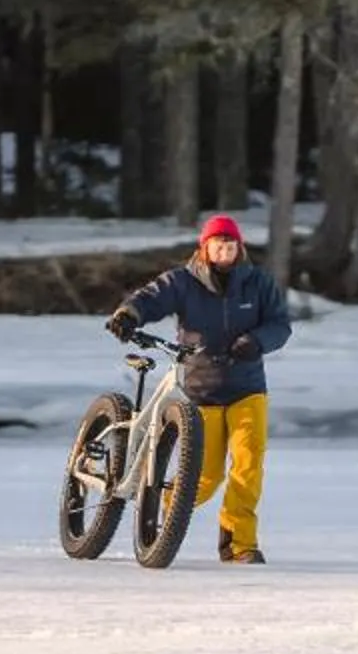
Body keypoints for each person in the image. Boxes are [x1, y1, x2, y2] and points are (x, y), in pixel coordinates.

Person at [105, 213, 291, 564]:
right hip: (201, 390)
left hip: (247, 388)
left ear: (240, 248)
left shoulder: (258, 284)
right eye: (217, 243)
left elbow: (280, 325)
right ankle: (165, 501)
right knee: (203, 478)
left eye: (231, 244)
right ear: (204, 248)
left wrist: (257, 341)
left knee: (248, 466)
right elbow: (151, 298)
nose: (225, 249)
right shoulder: (184, 281)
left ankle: (239, 544)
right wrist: (129, 314)